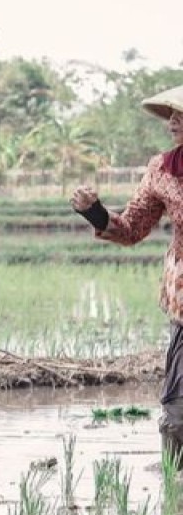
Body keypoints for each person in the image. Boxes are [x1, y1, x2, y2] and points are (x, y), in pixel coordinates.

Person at [71, 84, 183, 466]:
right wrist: (97, 214)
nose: (172, 122)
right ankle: (175, 488)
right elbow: (133, 227)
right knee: (178, 412)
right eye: (170, 114)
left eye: (181, 113)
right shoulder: (163, 171)